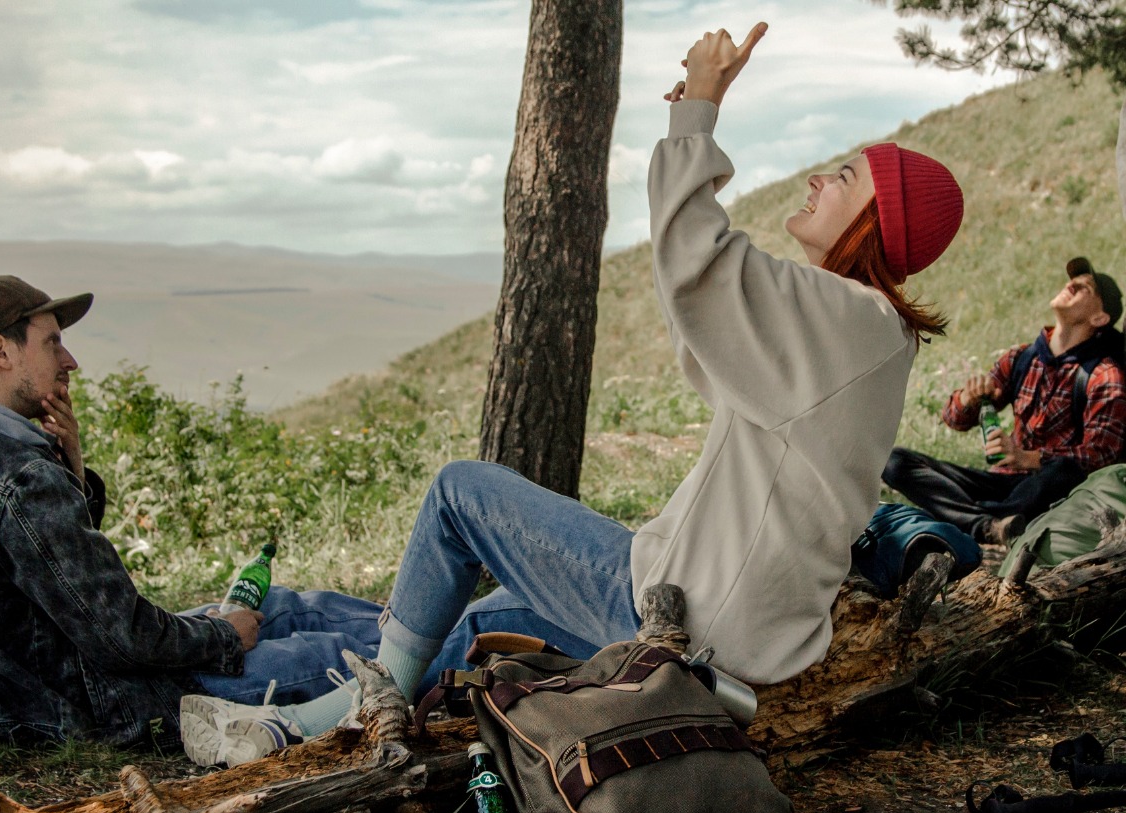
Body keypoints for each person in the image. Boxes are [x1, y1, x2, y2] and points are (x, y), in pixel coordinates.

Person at [183, 22, 967, 767]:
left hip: (684, 620)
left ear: (878, 216)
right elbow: (711, 334)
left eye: (847, 176)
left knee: (462, 494)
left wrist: (701, 107)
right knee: (480, 623)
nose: (820, 177)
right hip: (716, 623)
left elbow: (700, 259)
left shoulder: (850, 320)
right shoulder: (863, 336)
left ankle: (331, 695)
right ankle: (278, 716)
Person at [0, 275, 394, 748]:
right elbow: (121, 635)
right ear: (1, 352)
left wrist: (70, 464)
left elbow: (56, 581)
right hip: (96, 700)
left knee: (284, 605)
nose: (69, 361)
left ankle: (428, 619)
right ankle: (463, 641)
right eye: (52, 343)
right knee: (334, 654)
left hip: (53, 679)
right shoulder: (17, 478)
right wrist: (220, 637)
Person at [883, 258, 1126, 544]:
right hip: (1001, 482)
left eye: (1086, 287)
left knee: (1061, 473)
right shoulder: (1022, 358)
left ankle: (969, 517)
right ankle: (986, 525)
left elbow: (1101, 457)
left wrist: (1027, 457)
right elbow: (953, 419)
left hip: (1047, 488)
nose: (1071, 283)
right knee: (895, 461)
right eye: (1073, 280)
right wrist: (969, 397)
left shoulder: (1104, 376)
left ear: (1099, 318)